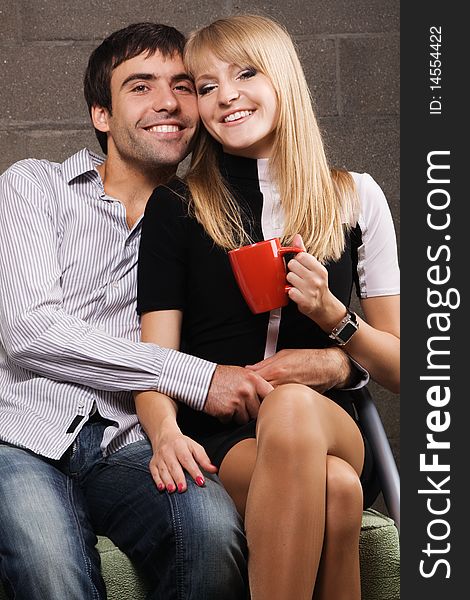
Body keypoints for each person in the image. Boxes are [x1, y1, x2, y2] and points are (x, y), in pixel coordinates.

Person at [136, 14, 400, 600]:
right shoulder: (177, 206)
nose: (226, 96)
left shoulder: (355, 196)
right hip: (223, 439)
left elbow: (408, 369)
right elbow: (153, 359)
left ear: (283, 78)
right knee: (337, 490)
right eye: (205, 87)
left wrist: (335, 318)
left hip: (330, 425)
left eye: (245, 73)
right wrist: (162, 435)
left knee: (294, 412)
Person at [0, 22, 257, 600]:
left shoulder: (213, 222)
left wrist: (339, 362)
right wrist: (197, 378)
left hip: (136, 442)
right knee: (49, 562)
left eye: (184, 86)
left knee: (213, 531)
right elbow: (27, 329)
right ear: (102, 115)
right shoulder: (34, 187)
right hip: (21, 435)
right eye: (140, 86)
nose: (167, 101)